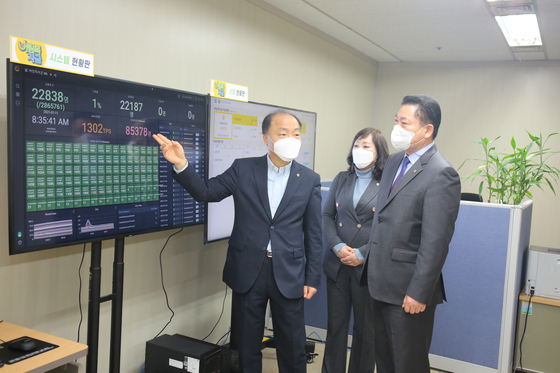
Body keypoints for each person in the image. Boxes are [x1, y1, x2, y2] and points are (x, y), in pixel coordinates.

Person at [153, 110, 323, 373]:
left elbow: (313, 232)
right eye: (283, 133)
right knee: (246, 345)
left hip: (289, 273)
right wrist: (181, 165)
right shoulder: (243, 169)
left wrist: (312, 277)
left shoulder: (309, 179)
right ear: (267, 138)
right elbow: (206, 192)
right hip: (248, 270)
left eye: (296, 134)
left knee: (292, 346)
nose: (292, 139)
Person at [362, 94, 461, 373]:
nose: (397, 127)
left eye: (404, 122)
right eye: (396, 120)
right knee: (385, 362)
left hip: (408, 292)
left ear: (427, 129)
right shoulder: (394, 161)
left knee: (408, 364)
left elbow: (435, 243)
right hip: (379, 283)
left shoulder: (442, 173)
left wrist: (418, 293)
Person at [322, 128, 389, 373]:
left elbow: (386, 226)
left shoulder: (388, 183)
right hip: (337, 265)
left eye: (366, 146)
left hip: (366, 267)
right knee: (335, 328)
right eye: (357, 145)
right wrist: (337, 246)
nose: (359, 151)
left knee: (365, 331)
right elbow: (328, 215)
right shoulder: (342, 178)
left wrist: (361, 253)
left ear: (379, 152)